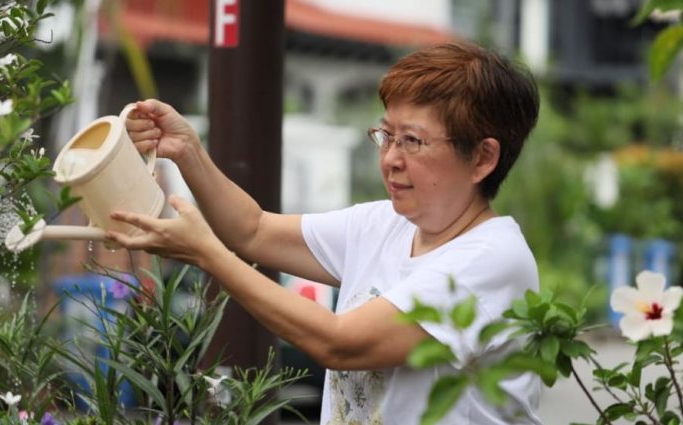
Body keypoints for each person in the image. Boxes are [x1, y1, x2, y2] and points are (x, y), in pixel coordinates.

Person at [107, 40, 542, 424]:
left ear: (483, 158)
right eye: (386, 136)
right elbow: (253, 230)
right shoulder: (384, 223)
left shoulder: (492, 258)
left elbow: (342, 344)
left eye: (412, 141)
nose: (390, 158)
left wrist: (209, 256)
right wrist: (188, 151)